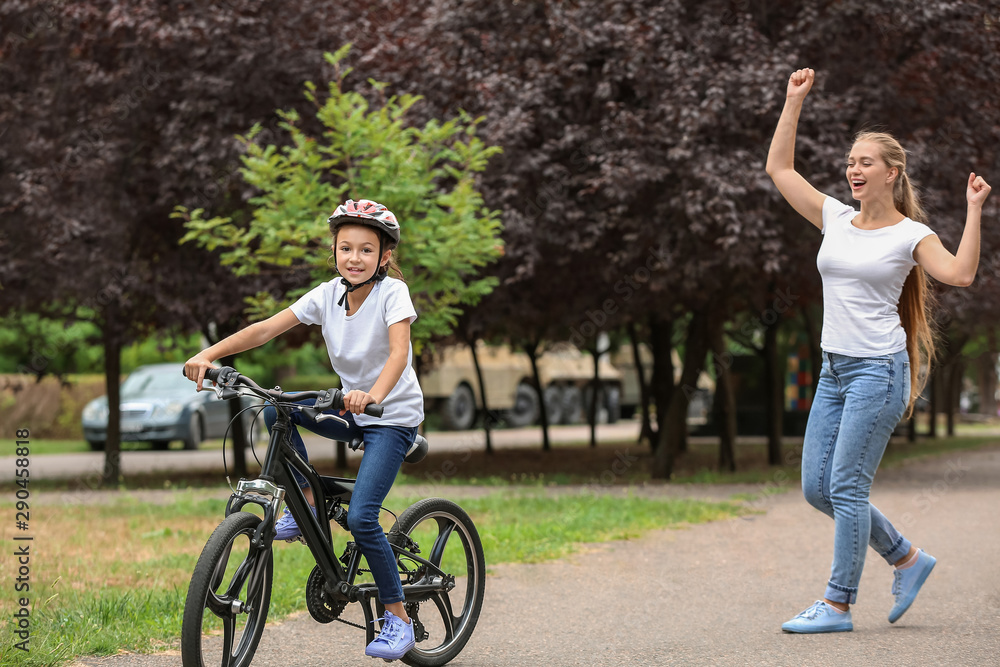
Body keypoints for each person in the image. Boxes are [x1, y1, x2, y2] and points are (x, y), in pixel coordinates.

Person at [765, 68, 991, 633]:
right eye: (850, 161)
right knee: (819, 489)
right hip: (834, 370)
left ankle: (838, 604)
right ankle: (907, 559)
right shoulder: (835, 218)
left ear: (892, 173)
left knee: (846, 487)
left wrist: (974, 209)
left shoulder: (910, 235)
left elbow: (961, 275)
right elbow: (780, 169)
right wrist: (794, 102)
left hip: (879, 374)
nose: (853, 169)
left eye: (865, 162)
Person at [183, 198, 424, 660]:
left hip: (390, 418)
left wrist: (372, 394)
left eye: (367, 250)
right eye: (346, 247)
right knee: (278, 411)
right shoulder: (326, 295)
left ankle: (398, 618)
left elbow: (398, 354)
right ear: (334, 250)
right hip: (351, 411)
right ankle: (308, 507)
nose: (354, 258)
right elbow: (264, 329)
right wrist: (210, 355)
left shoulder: (394, 294)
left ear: (385, 256)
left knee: (361, 518)